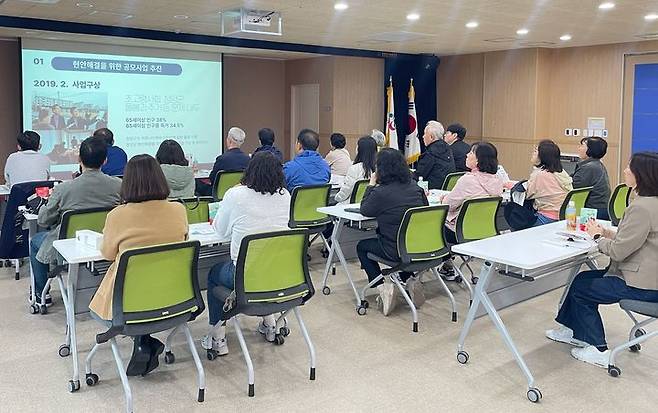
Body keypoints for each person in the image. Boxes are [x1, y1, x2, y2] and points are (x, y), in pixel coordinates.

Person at [546, 152, 658, 368]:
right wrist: (606, 232)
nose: (625, 171)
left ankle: (598, 349)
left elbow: (617, 252)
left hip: (639, 285)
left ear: (641, 175)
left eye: (629, 167)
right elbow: (638, 239)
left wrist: (597, 237)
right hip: (648, 278)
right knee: (581, 280)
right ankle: (573, 331)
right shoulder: (651, 204)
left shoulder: (641, 208)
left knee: (582, 290)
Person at [89, 154, 188, 376]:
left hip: (126, 303)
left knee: (134, 286)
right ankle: (144, 340)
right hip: (173, 296)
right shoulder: (178, 210)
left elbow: (107, 254)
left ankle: (142, 341)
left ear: (128, 182)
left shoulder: (118, 215)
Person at [203, 152, 291, 355]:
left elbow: (220, 230)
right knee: (263, 274)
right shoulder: (284, 195)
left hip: (243, 275)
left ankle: (218, 338)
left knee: (214, 274)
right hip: (278, 273)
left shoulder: (237, 195)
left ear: (249, 170)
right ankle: (270, 324)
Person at [31, 137, 122, 305]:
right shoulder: (118, 185)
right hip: (106, 242)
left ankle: (41, 294)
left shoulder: (64, 188)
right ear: (105, 160)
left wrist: (44, 206)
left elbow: (43, 221)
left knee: (35, 241)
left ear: (79, 159)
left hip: (68, 245)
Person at [356, 148, 429, 315]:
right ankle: (410, 280)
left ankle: (383, 288)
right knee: (402, 245)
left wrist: (371, 184)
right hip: (418, 247)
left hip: (394, 250)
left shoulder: (380, 192)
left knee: (362, 246)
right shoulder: (415, 188)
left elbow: (365, 210)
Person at [439, 142, 504, 279]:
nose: (467, 155)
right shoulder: (498, 180)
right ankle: (447, 266)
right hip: (484, 232)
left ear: (478, 160)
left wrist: (444, 197)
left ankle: (414, 274)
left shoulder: (467, 180)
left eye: (471, 153)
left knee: (432, 227)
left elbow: (448, 205)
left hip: (458, 233)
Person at [526, 139, 573, 226]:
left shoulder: (541, 175)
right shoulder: (561, 172)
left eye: (536, 151)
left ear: (543, 156)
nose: (533, 153)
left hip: (546, 219)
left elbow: (527, 194)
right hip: (562, 217)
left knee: (514, 214)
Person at [572, 137, 611, 219]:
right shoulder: (596, 164)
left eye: (582, 146)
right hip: (602, 208)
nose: (579, 148)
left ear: (591, 150)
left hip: (593, 211)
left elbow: (572, 187)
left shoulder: (589, 167)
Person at [334, 136, 377, 204]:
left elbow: (346, 191)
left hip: (350, 206)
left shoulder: (355, 169)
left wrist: (336, 198)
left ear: (360, 149)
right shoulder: (379, 168)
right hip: (369, 205)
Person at [414, 121, 456, 189]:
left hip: (430, 190)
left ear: (431, 137)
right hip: (445, 190)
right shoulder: (448, 148)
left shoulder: (430, 153)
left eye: (425, 134)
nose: (423, 136)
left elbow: (419, 176)